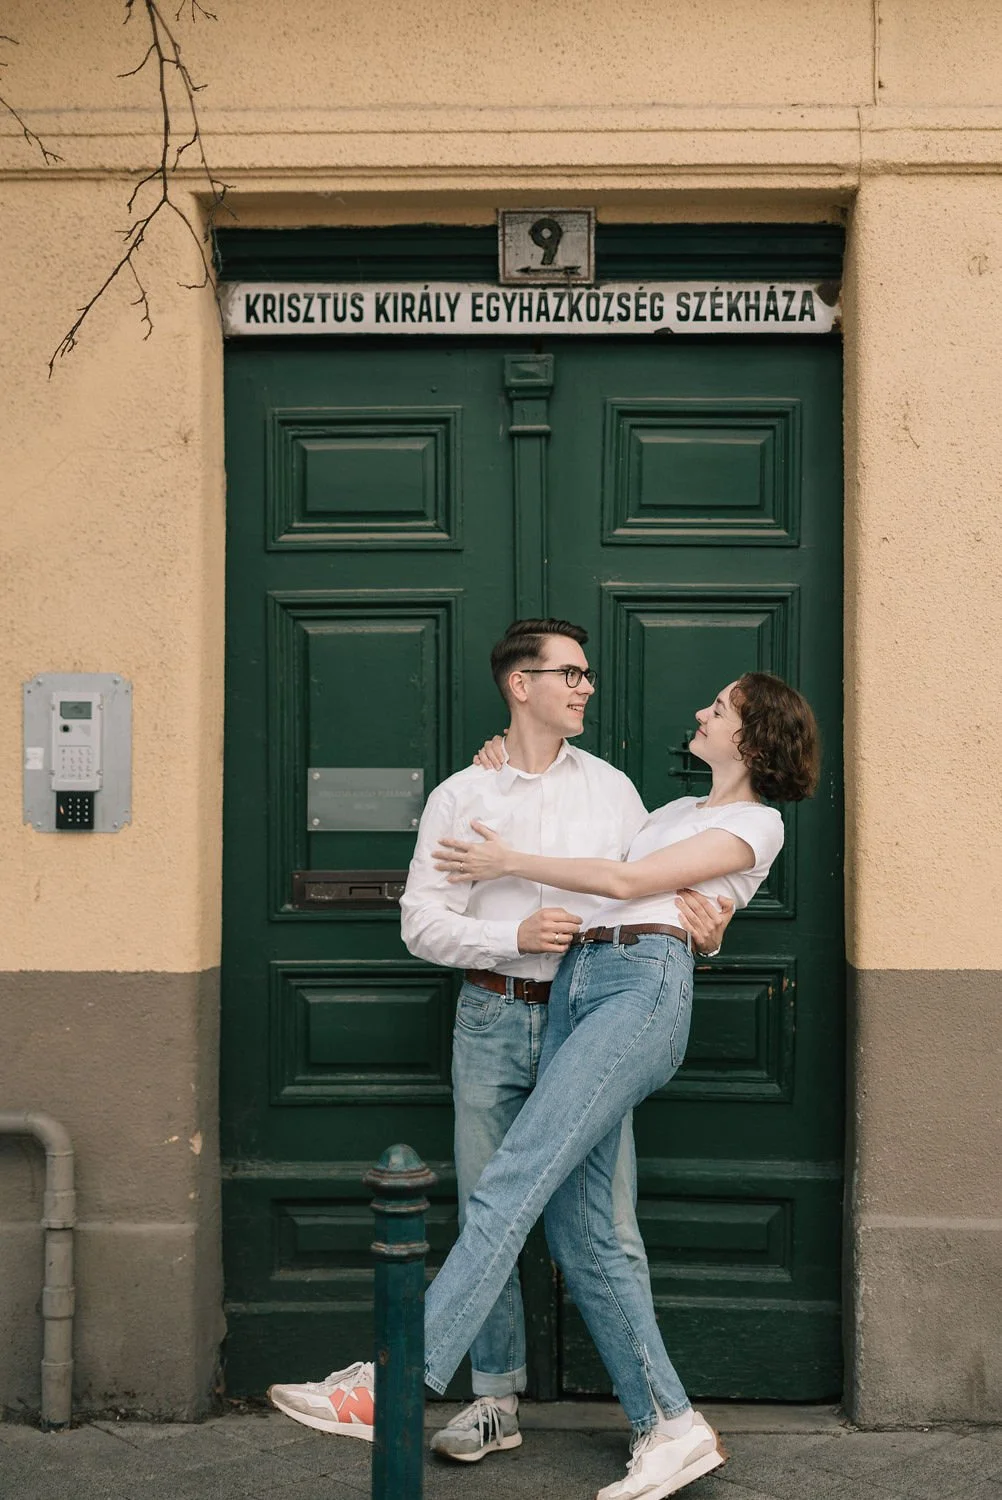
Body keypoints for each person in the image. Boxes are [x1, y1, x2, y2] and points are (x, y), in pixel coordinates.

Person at [267, 619, 732, 1462]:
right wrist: (508, 937)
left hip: (588, 1021)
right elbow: (420, 922)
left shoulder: (614, 792)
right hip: (490, 1016)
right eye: (570, 674)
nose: (587, 686)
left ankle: (654, 1415)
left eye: (587, 674)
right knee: (492, 1206)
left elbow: (649, 893)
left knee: (604, 1223)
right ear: (521, 685)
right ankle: (494, 1401)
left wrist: (708, 932)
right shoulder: (463, 796)